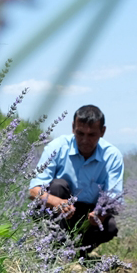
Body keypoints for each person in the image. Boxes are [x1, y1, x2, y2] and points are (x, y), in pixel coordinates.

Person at [29, 105, 124, 254]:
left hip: (88, 212)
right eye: (80, 133)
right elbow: (34, 190)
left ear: (102, 132)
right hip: (57, 208)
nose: (85, 140)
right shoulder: (57, 147)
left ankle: (78, 252)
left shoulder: (112, 156)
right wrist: (57, 202)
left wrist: (100, 213)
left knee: (109, 226)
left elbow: (114, 199)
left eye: (92, 135)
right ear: (73, 128)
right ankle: (51, 248)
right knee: (57, 185)